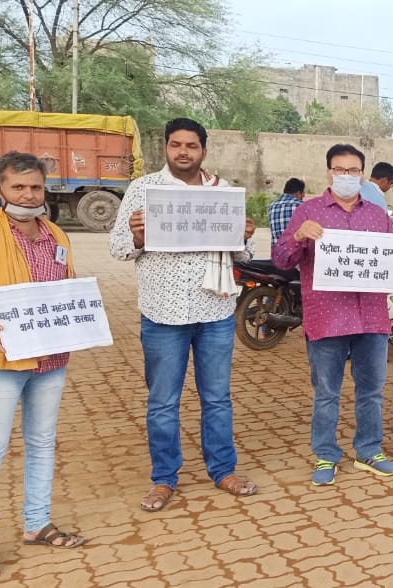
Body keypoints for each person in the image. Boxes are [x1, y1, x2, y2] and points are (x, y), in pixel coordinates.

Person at [110, 118, 259, 512]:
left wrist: (245, 236)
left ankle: (223, 470)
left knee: (217, 398)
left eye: (191, 146)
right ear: (166, 148)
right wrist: (138, 237)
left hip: (216, 309)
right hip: (163, 312)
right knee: (162, 401)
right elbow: (119, 247)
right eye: (176, 145)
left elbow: (240, 254)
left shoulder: (222, 192)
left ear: (203, 150)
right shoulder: (144, 190)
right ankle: (163, 479)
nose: (183, 152)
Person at [272, 144, 393, 486]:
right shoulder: (308, 211)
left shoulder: (378, 217)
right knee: (326, 392)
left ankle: (369, 450)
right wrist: (299, 237)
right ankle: (325, 454)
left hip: (371, 318)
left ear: (362, 175)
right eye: (340, 169)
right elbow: (282, 259)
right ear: (328, 172)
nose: (346, 176)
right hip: (327, 316)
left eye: (353, 171)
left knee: (371, 391)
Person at [0, 152, 84, 579]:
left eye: (35, 187)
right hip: (1, 358)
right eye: (18, 187)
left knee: (42, 442)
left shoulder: (56, 234)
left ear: (45, 189)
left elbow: (68, 291)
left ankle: (37, 523)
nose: (28, 194)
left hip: (52, 358)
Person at [268, 177, 306, 246]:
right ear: (298, 193)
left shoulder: (271, 206)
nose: (304, 195)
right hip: (296, 253)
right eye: (303, 192)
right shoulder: (302, 206)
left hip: (277, 254)